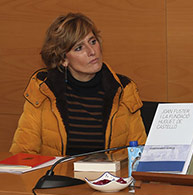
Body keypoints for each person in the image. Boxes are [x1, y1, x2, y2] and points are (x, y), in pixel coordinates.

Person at [10, 12, 146, 156]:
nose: (92, 51)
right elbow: (23, 155)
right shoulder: (43, 90)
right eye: (79, 48)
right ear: (63, 59)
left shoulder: (123, 90)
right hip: (58, 177)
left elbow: (140, 154)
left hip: (110, 178)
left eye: (93, 41)